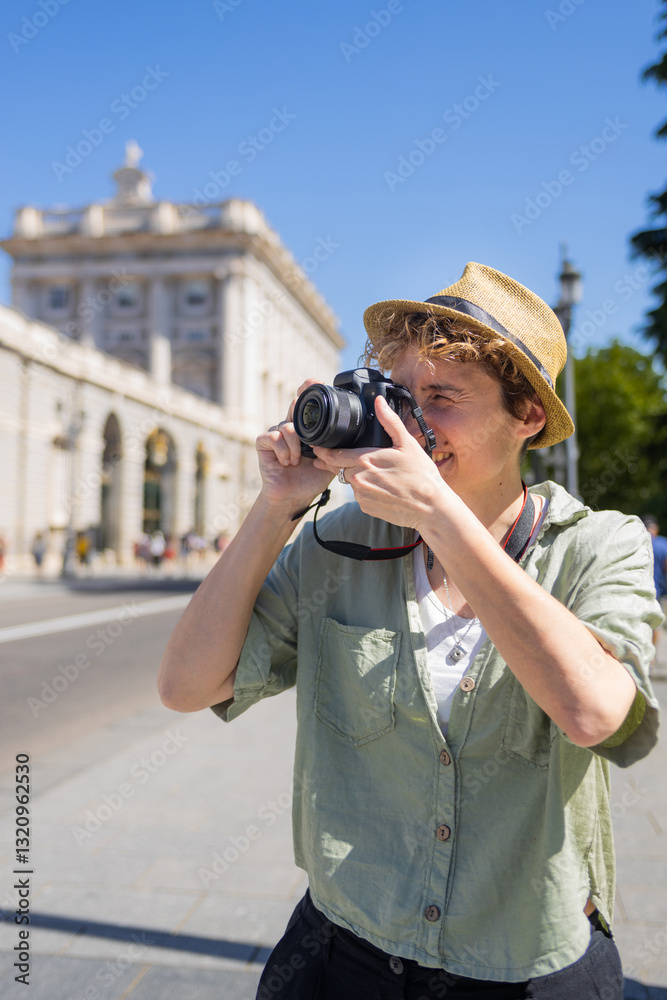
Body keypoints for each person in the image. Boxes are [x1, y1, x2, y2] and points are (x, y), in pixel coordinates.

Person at [159, 262, 661, 999]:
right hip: (343, 952)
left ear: (526, 416)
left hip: (525, 964)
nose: (411, 423)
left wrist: (437, 514)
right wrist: (277, 507)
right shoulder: (337, 541)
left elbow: (597, 715)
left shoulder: (599, 544)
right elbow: (186, 686)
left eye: (442, 398)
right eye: (399, 396)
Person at [641, 514, 667, 651]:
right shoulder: (663, 544)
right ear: (656, 528)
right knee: (656, 623)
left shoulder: (638, 542)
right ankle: (652, 653)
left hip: (639, 589)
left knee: (641, 622)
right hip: (658, 590)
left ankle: (644, 651)